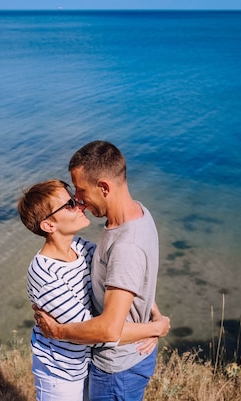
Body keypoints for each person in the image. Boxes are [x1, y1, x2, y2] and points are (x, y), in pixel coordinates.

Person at [33, 141, 164, 401]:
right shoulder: (135, 213)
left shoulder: (127, 245)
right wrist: (154, 320)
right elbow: (132, 278)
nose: (78, 201)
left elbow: (109, 331)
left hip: (117, 371)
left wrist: (57, 331)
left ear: (104, 187)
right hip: (122, 363)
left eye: (80, 191)